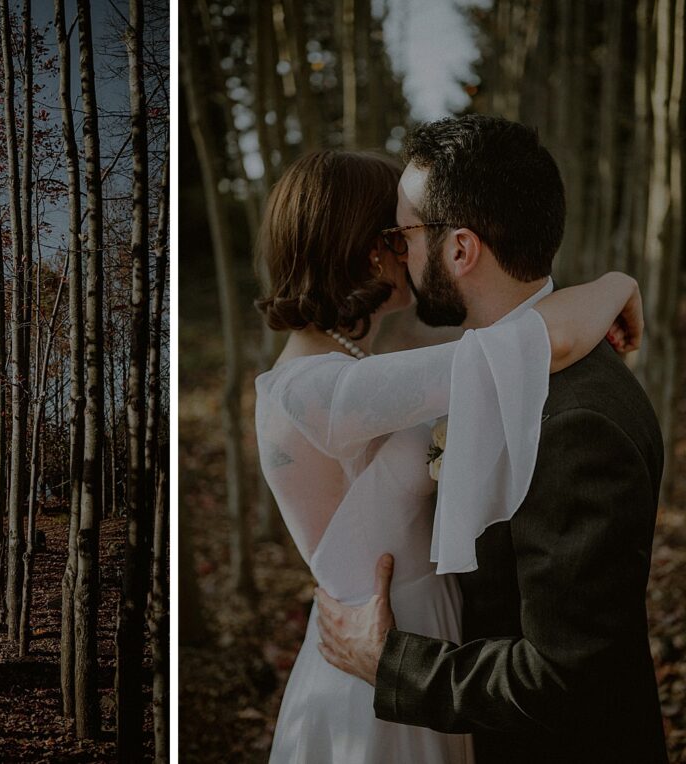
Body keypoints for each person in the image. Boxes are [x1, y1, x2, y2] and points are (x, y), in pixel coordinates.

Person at [254, 142, 646, 763]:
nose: (411, 247)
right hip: (378, 667)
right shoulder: (320, 392)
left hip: (423, 654)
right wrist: (617, 283)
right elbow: (542, 340)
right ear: (367, 249)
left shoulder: (344, 371)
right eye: (399, 231)